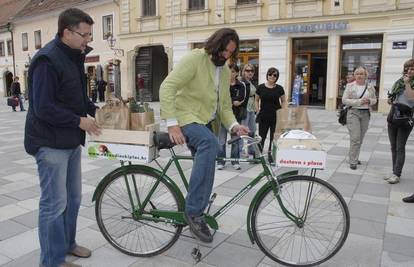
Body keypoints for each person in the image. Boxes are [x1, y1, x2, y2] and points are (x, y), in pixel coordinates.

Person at [24, 8, 101, 267]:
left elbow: (75, 95)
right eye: (84, 34)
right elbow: (43, 106)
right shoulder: (46, 60)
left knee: (73, 199)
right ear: (67, 32)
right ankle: (52, 261)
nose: (88, 40)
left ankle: (67, 245)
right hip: (50, 143)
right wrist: (80, 121)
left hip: (70, 141)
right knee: (54, 204)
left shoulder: (73, 56)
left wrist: (95, 109)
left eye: (90, 34)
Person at [159, 28, 249, 243]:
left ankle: (196, 199)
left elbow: (224, 107)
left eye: (230, 53)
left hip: (202, 120)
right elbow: (167, 87)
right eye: (224, 51)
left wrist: (235, 125)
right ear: (215, 45)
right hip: (184, 116)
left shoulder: (225, 71)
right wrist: (172, 125)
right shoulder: (195, 59)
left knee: (214, 151)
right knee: (209, 143)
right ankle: (194, 212)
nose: (226, 56)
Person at [385, 59, 414, 186]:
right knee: (393, 146)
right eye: (407, 68)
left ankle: (397, 174)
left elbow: (411, 98)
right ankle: (394, 171)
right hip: (394, 115)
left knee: (400, 146)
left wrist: (407, 83)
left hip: (405, 118)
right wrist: (390, 100)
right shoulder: (399, 81)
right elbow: (394, 96)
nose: (409, 70)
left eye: (412, 68)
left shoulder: (408, 82)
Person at [342, 66, 377, 170]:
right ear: (354, 75)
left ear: (366, 76)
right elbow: (344, 100)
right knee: (355, 138)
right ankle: (353, 161)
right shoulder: (350, 86)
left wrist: (369, 101)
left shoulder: (370, 87)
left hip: (366, 113)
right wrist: (359, 101)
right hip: (353, 113)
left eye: (362, 74)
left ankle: (354, 157)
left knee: (360, 139)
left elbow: (375, 99)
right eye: (357, 74)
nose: (359, 76)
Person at [217, 63, 248, 170]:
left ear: (237, 73)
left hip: (236, 117)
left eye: (233, 71)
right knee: (221, 140)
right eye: (229, 71)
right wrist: (232, 101)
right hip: (222, 116)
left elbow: (241, 97)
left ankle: (235, 161)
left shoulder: (241, 85)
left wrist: (234, 101)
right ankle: (221, 161)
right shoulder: (222, 84)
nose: (230, 73)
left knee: (235, 140)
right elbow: (220, 98)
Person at [255, 67, 287, 163]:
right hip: (263, 116)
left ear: (277, 77)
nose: (272, 76)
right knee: (261, 137)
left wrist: (283, 111)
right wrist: (257, 110)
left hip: (276, 117)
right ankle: (259, 156)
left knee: (274, 138)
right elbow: (256, 100)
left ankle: (271, 155)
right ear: (267, 75)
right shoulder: (260, 87)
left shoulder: (279, 88)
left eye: (275, 75)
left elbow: (284, 101)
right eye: (270, 74)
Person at [240, 64, 257, 158]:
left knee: (252, 129)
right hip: (244, 109)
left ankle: (251, 150)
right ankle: (242, 150)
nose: (250, 72)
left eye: (252, 71)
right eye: (247, 70)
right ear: (243, 71)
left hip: (251, 109)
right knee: (243, 130)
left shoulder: (250, 82)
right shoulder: (241, 82)